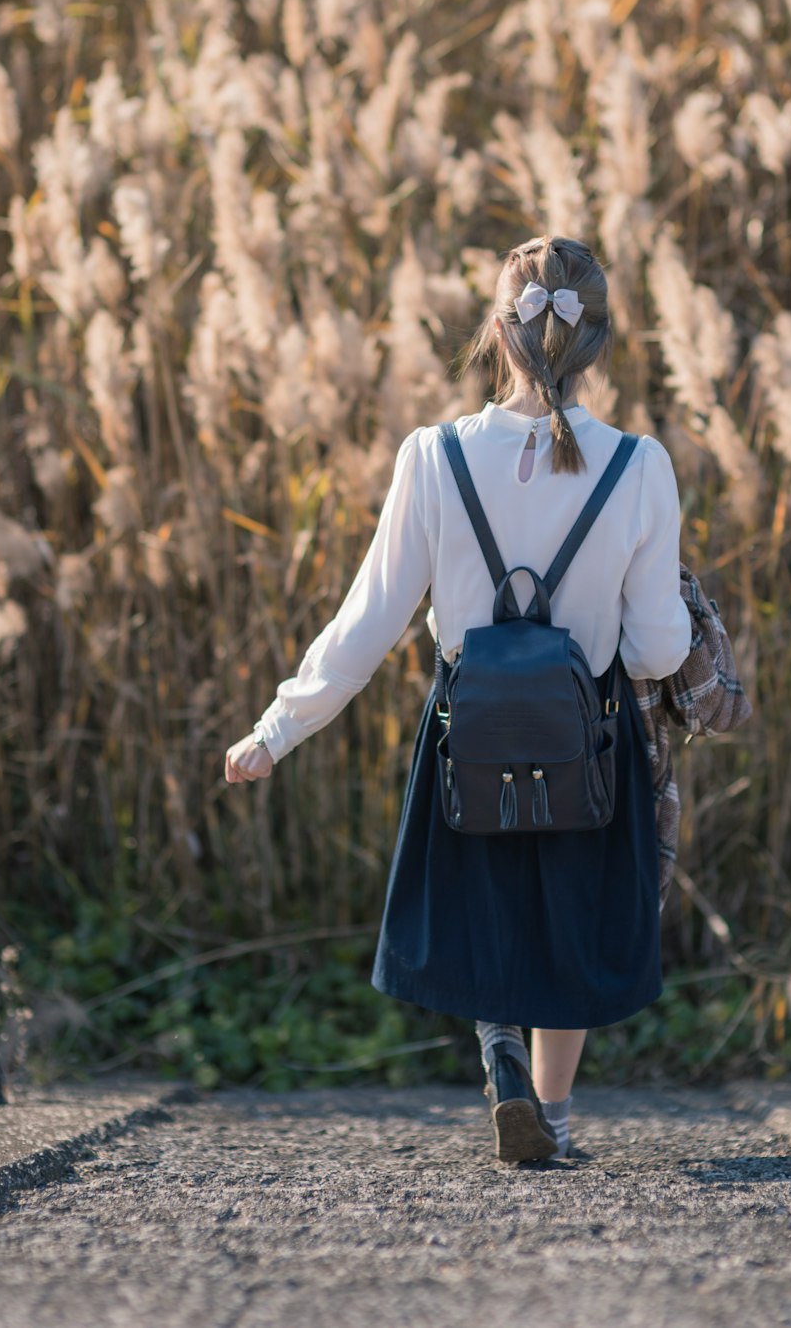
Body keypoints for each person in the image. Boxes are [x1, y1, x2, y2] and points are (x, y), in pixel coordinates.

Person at [225, 234, 693, 1163]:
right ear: (597, 340)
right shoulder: (640, 466)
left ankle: (497, 1044)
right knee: (569, 921)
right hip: (588, 740)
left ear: (497, 331)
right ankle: (551, 1120)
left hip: (467, 735)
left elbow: (368, 623)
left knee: (486, 899)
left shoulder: (432, 455)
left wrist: (276, 730)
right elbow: (654, 651)